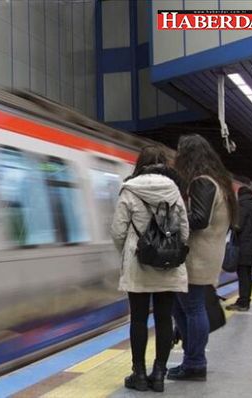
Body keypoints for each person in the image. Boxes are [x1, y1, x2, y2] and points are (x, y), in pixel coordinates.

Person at [111, 145, 189, 392]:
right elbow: (185, 231)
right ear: (164, 164)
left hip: (138, 264)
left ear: (140, 164)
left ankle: (140, 375)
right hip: (167, 265)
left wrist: (129, 251)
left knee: (139, 319)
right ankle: (159, 375)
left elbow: (118, 231)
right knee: (164, 318)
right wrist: (171, 249)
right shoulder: (174, 190)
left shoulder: (130, 189)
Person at [169, 135, 238, 381]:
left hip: (197, 257)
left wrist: (171, 221)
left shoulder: (202, 182)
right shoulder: (219, 182)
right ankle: (191, 359)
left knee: (192, 308)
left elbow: (198, 219)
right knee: (181, 307)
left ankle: (196, 363)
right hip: (206, 255)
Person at [226, 186, 252, 311]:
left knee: (243, 276)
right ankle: (245, 300)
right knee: (247, 275)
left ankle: (243, 303)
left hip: (243, 247)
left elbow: (237, 226)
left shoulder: (242, 207)